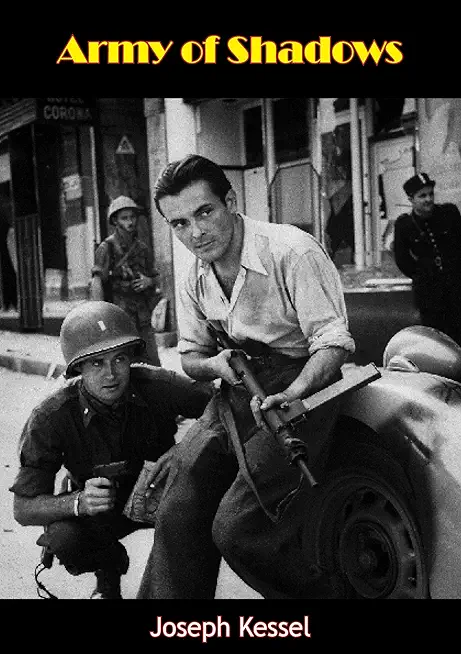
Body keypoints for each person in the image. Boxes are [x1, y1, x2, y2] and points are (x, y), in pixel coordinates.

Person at [136, 154, 355, 600]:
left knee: (239, 529)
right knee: (176, 510)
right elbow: (192, 356)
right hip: (237, 387)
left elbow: (333, 344)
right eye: (179, 224)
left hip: (304, 386)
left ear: (231, 201)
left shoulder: (291, 251)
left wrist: (294, 392)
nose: (195, 233)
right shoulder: (194, 275)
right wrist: (215, 366)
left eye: (204, 212)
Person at [9, 301, 211, 599]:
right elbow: (23, 509)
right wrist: (78, 502)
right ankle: (109, 570)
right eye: (96, 363)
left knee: (204, 509)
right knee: (64, 540)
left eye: (119, 359)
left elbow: (221, 405)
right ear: (78, 368)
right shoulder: (51, 417)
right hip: (101, 510)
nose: (111, 374)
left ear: (131, 359)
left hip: (165, 497)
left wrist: (183, 450)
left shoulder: (158, 385)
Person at [90, 195, 162, 367]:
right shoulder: (106, 248)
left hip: (142, 315)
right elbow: (97, 282)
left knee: (152, 363)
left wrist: (149, 281)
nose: (130, 222)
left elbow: (157, 278)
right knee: (124, 364)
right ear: (115, 221)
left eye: (133, 217)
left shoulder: (143, 248)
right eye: (124, 218)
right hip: (119, 315)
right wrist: (100, 318)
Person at [394, 172, 461, 346]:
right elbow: (402, 259)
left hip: (456, 288)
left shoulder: (449, 214)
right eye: (422, 196)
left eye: (431, 194)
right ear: (411, 199)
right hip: (429, 295)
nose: (428, 199)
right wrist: (422, 274)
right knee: (437, 341)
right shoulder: (405, 225)